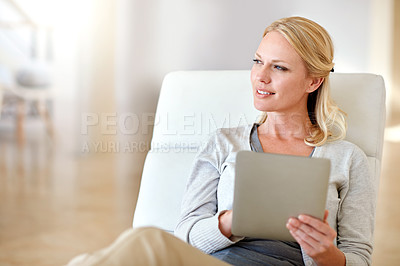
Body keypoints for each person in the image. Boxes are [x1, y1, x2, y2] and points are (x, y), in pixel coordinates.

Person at [67, 16, 375, 266]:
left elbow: (359, 256)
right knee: (138, 246)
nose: (260, 76)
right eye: (257, 62)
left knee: (143, 242)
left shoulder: (347, 159)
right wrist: (229, 221)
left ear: (314, 81)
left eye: (278, 67)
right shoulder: (224, 142)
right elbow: (186, 233)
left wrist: (325, 256)